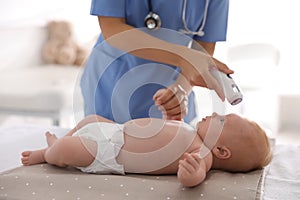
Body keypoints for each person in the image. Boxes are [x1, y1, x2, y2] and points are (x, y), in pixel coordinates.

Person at [80, 0, 233, 124]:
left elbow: (203, 48)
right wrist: (183, 57)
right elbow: (111, 27)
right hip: (112, 84)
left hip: (171, 88)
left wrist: (181, 89)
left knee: (173, 155)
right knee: (105, 151)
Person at [21, 113, 272, 187]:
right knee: (90, 119)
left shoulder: (202, 154)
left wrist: (192, 173)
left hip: (108, 154)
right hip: (115, 132)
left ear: (222, 151)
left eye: (222, 121)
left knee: (67, 149)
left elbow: (191, 178)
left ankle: (47, 153)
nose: (215, 114)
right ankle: (63, 141)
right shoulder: (192, 132)